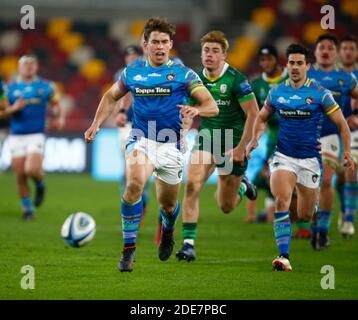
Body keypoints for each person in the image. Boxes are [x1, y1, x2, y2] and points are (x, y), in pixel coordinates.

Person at [84, 17, 218, 272]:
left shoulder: (183, 74)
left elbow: (211, 106)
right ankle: (128, 250)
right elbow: (111, 96)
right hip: (141, 139)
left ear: (170, 45)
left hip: (172, 146)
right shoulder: (133, 72)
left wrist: (195, 109)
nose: (159, 46)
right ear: (145, 44)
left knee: (168, 205)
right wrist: (96, 124)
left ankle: (168, 230)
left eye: (164, 42)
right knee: (134, 184)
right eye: (154, 41)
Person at [246, 43, 354, 271]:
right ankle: (283, 256)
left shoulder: (319, 93)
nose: (295, 67)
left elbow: (342, 124)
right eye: (291, 63)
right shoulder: (277, 92)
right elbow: (262, 117)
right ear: (287, 65)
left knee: (304, 214)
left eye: (299, 63)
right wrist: (255, 138)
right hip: (283, 156)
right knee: (282, 201)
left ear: (307, 66)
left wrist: (345, 150)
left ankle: (314, 209)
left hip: (310, 160)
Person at [175, 31, 259, 262]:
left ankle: (242, 186)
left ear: (224, 55)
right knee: (192, 184)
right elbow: (189, 111)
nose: (210, 55)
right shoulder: (195, 80)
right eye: (206, 51)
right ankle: (188, 244)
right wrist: (182, 135)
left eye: (215, 51)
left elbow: (253, 114)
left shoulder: (236, 79)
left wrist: (243, 147)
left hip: (233, 142)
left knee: (226, 206)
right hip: (208, 138)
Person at [307, 34, 358, 249]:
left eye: (330, 47)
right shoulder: (306, 74)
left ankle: (322, 231)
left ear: (335, 53)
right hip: (305, 136)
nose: (326, 51)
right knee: (309, 186)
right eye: (322, 47)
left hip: (331, 136)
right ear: (316, 52)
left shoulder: (345, 79)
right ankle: (312, 224)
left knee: (326, 181)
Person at [0, 54, 64, 219]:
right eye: (25, 64)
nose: (29, 66)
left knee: (32, 169)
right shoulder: (9, 88)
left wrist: (58, 117)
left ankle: (40, 184)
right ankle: (28, 210)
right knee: (20, 174)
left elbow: (56, 105)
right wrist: (14, 108)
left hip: (36, 134)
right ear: (19, 68)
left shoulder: (46, 86)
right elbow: (2, 113)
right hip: (16, 136)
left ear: (36, 67)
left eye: (32, 64)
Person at [244, 44, 288, 225]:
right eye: (262, 60)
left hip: (296, 135)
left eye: (268, 59)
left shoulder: (290, 79)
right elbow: (252, 113)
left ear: (276, 59)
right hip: (273, 138)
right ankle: (259, 214)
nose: (265, 63)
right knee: (266, 178)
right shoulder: (257, 85)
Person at [338, 35, 358, 237]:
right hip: (336, 131)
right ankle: (344, 210)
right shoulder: (334, 76)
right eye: (344, 48)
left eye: (351, 48)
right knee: (339, 176)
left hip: (356, 131)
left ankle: (349, 219)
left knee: (351, 171)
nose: (348, 52)